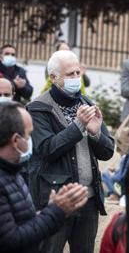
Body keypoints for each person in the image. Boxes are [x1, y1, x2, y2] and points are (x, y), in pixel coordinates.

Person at [27, 50, 114, 253]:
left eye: (77, 73)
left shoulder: (87, 104)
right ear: (53, 77)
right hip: (56, 200)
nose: (76, 78)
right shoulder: (38, 108)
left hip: (88, 199)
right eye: (70, 74)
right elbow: (46, 150)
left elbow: (108, 152)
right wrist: (77, 127)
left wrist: (95, 134)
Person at [0, 102, 88, 253]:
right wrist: (56, 212)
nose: (31, 141)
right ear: (15, 140)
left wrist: (50, 208)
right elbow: (11, 240)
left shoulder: (14, 171)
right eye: (29, 135)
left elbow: (21, 221)